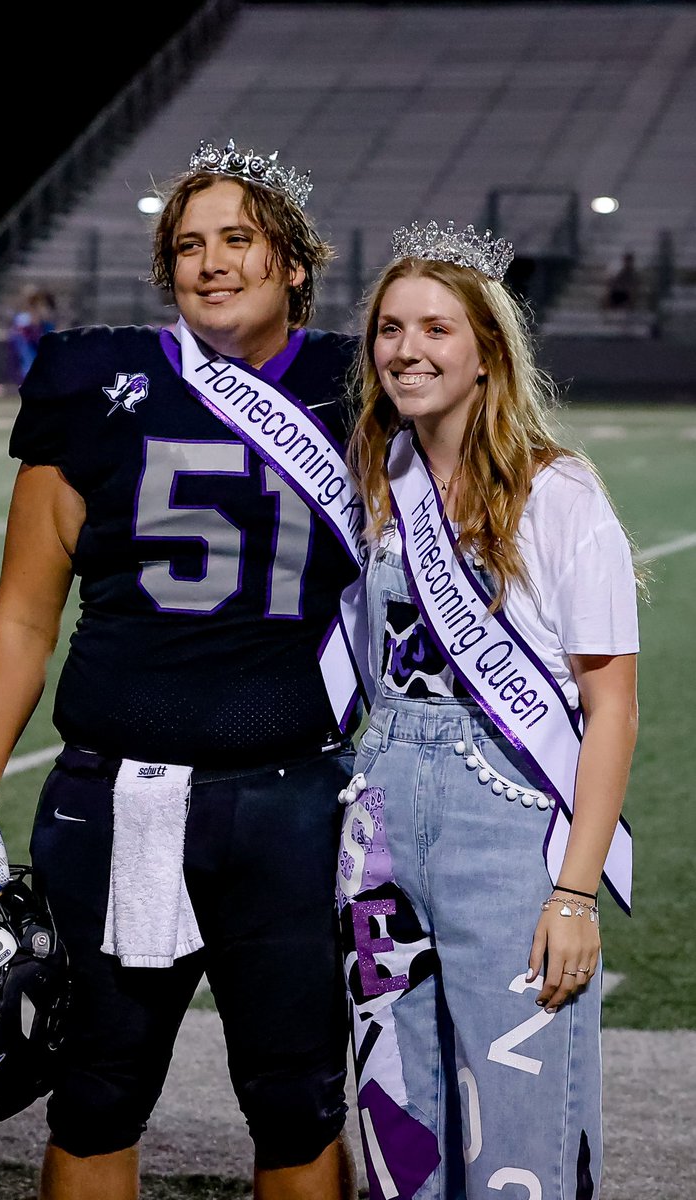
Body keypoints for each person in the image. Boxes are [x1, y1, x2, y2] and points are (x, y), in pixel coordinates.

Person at [0, 137, 369, 1200]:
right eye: (187, 245)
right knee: (95, 1089)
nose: (211, 262)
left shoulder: (361, 384)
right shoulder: (97, 380)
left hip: (291, 799)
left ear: (293, 262)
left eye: (238, 239)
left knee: (297, 1097)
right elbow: (26, 618)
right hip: (116, 798)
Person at [337, 220, 641, 1198]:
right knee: (396, 1123)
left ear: (485, 355)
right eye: (389, 328)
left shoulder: (558, 493)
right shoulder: (381, 483)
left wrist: (574, 893)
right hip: (377, 827)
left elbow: (612, 708)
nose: (406, 350)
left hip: (507, 830)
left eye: (434, 328)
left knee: (521, 1134)